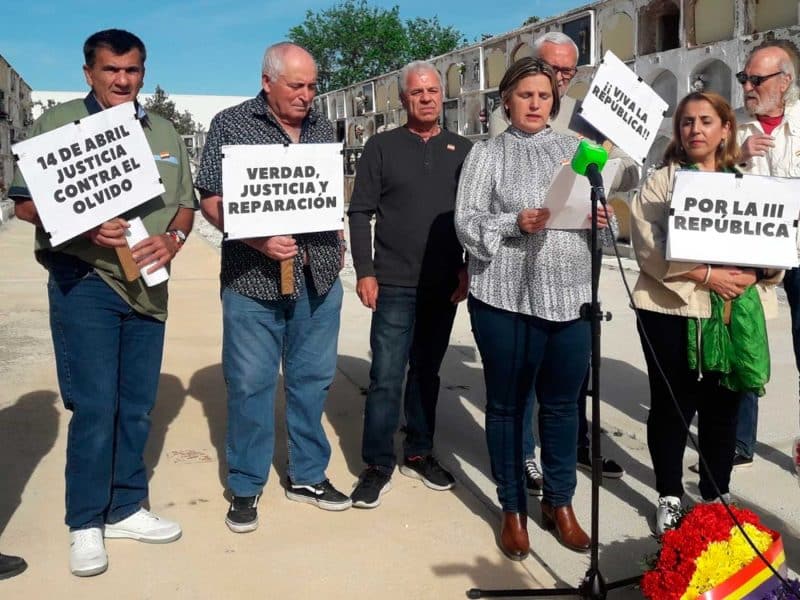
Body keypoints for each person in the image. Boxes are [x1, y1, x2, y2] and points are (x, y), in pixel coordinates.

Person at [10, 29, 195, 576]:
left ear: (143, 73)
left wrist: (175, 240)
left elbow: (183, 206)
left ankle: (125, 506)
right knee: (95, 407)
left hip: (150, 287)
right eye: (111, 70)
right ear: (88, 72)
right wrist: (83, 224)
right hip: (85, 280)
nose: (122, 80)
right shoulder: (57, 124)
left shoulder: (165, 131)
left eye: (132, 70)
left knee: (136, 406)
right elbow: (24, 205)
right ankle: (86, 523)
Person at [456, 58, 616, 559]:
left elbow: (594, 218)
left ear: (555, 101)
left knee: (564, 407)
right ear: (506, 99)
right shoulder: (487, 155)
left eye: (543, 96)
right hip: (504, 300)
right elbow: (466, 221)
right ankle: (511, 509)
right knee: (506, 406)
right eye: (524, 95)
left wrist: (600, 216)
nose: (534, 104)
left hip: (571, 300)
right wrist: (512, 224)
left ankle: (560, 502)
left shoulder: (576, 151)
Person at [196, 42, 351, 533]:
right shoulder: (230, 124)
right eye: (296, 86)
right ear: (268, 82)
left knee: (312, 382)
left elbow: (328, 195)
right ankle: (245, 485)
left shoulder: (323, 128)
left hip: (318, 276)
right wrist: (258, 237)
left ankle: (307, 475)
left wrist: (340, 239)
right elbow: (211, 199)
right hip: (250, 280)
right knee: (249, 386)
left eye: (312, 86)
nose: (307, 96)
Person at [630, 91, 781, 535]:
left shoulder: (747, 181)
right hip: (670, 309)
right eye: (687, 122)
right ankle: (670, 494)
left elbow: (776, 239)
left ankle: (718, 492)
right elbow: (646, 245)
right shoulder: (663, 181)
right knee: (672, 405)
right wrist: (705, 273)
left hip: (734, 311)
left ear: (725, 129)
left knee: (724, 405)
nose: (695, 130)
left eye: (706, 121)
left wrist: (756, 275)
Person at [511, 32, 638, 496]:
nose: (560, 79)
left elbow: (622, 168)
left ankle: (577, 443)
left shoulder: (594, 114)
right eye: (552, 68)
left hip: (579, 257)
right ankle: (526, 454)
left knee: (575, 367)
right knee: (527, 367)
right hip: (532, 258)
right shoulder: (527, 107)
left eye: (568, 71)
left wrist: (608, 158)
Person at [347, 61, 471, 509]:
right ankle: (377, 463)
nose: (426, 98)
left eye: (433, 91)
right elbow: (360, 211)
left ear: (443, 96)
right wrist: (365, 270)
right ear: (403, 99)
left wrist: (468, 267)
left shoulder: (464, 149)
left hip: (442, 283)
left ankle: (419, 450)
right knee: (385, 375)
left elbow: (473, 216)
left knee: (427, 372)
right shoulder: (381, 147)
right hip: (393, 282)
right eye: (417, 92)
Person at [733, 39, 800, 469]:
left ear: (786, 81)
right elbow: (702, 171)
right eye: (745, 79)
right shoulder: (733, 127)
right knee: (745, 343)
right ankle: (740, 441)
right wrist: (735, 157)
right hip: (749, 255)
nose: (748, 88)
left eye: (757, 80)